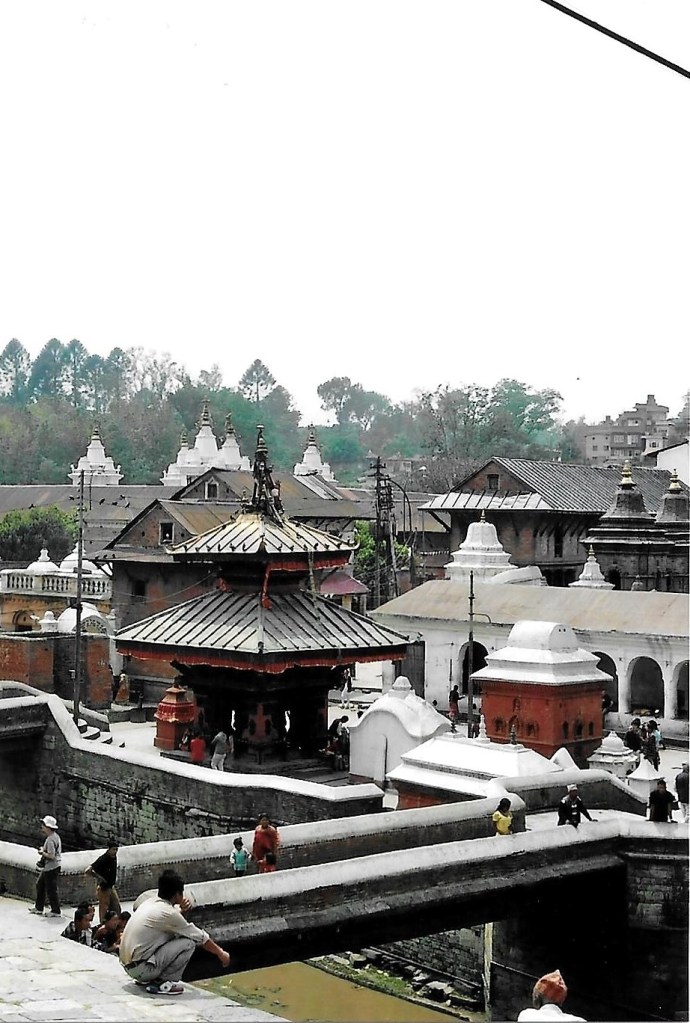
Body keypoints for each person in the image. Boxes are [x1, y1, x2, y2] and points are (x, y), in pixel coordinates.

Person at [119, 870, 230, 996]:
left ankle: (149, 979)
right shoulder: (169, 913)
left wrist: (182, 910)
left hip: (129, 966)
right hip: (141, 969)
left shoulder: (150, 902)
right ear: (177, 894)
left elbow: (171, 919)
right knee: (189, 943)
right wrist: (221, 953)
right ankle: (162, 983)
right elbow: (200, 937)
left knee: (170, 936)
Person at [517, 969, 585, 1021]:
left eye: (560, 979)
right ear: (542, 984)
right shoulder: (528, 1015)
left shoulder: (577, 1020)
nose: (560, 979)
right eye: (553, 977)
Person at [29, 814, 62, 917]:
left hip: (51, 868)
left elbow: (51, 856)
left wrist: (42, 852)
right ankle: (39, 907)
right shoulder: (55, 837)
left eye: (43, 825)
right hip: (51, 867)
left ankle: (55, 911)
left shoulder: (51, 839)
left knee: (51, 890)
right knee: (40, 885)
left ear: (48, 827)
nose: (42, 827)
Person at [85, 840, 121, 923]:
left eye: (116, 850)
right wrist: (99, 877)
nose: (115, 852)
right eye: (113, 849)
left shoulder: (114, 857)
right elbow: (88, 870)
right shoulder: (103, 859)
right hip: (104, 889)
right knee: (104, 910)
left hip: (111, 887)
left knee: (116, 908)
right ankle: (103, 925)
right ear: (109, 849)